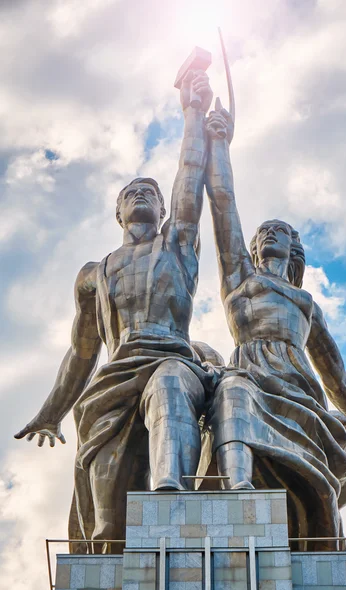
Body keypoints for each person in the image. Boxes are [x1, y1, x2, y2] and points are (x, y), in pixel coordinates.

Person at [14, 70, 217, 553]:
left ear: (165, 210)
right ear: (118, 212)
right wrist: (50, 413)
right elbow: (81, 353)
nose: (141, 195)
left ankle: (177, 503)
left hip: (174, 361)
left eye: (151, 192)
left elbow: (190, 175)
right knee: (109, 529)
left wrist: (192, 112)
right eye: (131, 193)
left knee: (168, 382)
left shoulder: (178, 244)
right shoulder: (93, 274)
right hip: (112, 384)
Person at [204, 105, 346, 549]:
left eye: (279, 232)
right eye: (262, 232)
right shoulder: (240, 279)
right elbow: (224, 204)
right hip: (250, 375)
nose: (269, 235)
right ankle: (239, 493)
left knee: (315, 486)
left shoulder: (306, 304)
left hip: (298, 388)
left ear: (294, 249)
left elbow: (337, 374)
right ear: (251, 246)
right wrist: (219, 145)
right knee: (232, 392)